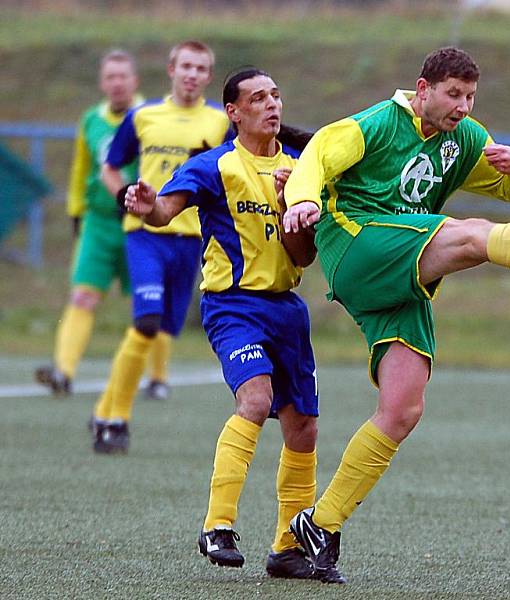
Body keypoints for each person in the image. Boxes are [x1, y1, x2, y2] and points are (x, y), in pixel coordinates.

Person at [281, 46, 510, 582]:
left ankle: (321, 523)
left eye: (471, 97)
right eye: (454, 95)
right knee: (471, 235)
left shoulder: (466, 138)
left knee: (403, 408)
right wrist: (303, 199)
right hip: (357, 247)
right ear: (423, 89)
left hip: (401, 273)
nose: (464, 106)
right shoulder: (375, 124)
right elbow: (317, 155)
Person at [125, 68, 322, 579]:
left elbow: (303, 253)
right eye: (258, 98)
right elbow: (166, 211)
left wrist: (289, 205)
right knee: (255, 400)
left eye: (276, 95)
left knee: (303, 427)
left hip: (286, 311)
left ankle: (288, 548)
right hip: (233, 305)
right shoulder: (215, 165)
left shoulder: (300, 169)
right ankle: (218, 525)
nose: (271, 105)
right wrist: (148, 207)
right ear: (233, 113)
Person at [91, 40, 232, 453]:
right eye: (185, 65)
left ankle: (103, 409)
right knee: (147, 321)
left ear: (208, 76)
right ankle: (116, 418)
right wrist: (125, 199)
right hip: (145, 234)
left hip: (190, 241)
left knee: (161, 330)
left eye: (200, 68)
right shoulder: (143, 116)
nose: (191, 74)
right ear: (171, 69)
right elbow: (110, 168)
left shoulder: (220, 123)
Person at [35, 49, 147, 396]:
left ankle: (157, 378)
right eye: (110, 76)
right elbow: (81, 169)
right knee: (83, 296)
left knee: (147, 303)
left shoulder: (150, 117)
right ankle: (63, 372)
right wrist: (75, 211)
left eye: (122, 76)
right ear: (102, 82)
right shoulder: (90, 121)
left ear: (134, 81)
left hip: (141, 224)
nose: (116, 83)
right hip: (99, 223)